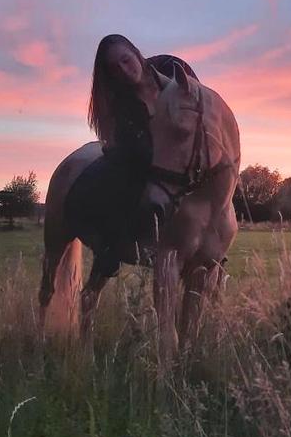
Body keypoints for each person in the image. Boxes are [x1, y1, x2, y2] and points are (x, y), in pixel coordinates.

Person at [65, 34, 198, 277]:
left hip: (181, 158)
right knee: (122, 184)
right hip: (143, 161)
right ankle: (112, 247)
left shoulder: (171, 68)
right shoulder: (120, 104)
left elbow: (197, 105)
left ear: (136, 53)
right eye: (115, 69)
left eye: (126, 60)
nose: (125, 70)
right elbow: (128, 148)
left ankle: (211, 250)